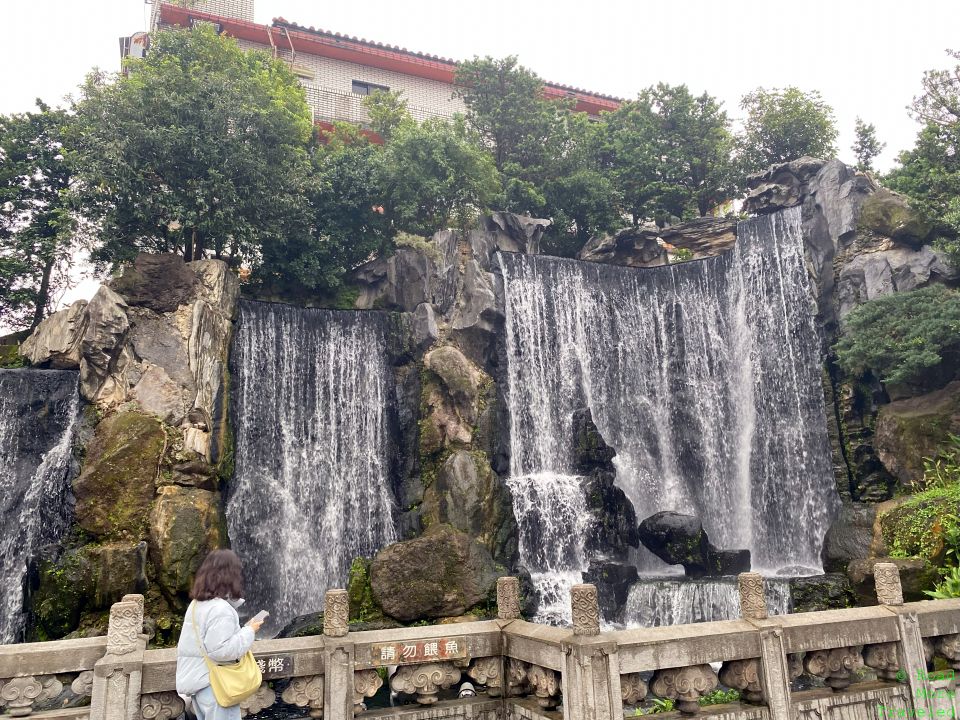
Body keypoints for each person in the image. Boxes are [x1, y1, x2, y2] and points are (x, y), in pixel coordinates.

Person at [176, 549, 265, 720]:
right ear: (229, 575)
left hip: (200, 682)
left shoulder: (197, 604)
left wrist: (242, 628)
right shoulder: (220, 609)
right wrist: (249, 631)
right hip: (216, 685)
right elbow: (221, 651)